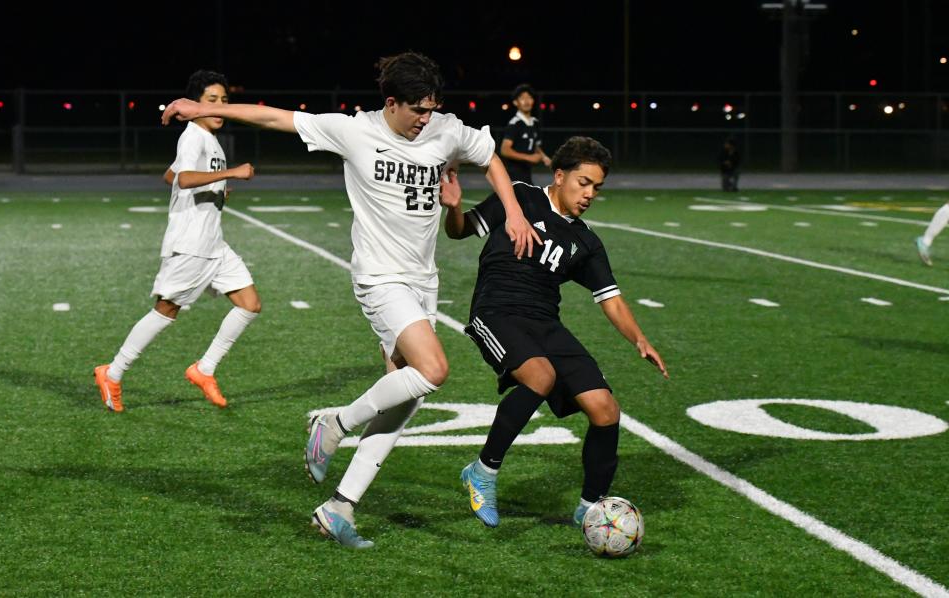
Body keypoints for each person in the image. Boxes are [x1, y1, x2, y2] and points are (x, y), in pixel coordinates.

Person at [161, 52, 540, 549]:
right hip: (380, 278)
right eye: (417, 111)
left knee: (406, 396)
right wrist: (198, 106)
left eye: (431, 109)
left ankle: (339, 508)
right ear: (391, 103)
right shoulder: (354, 130)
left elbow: (490, 157)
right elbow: (275, 116)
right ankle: (333, 423)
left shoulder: (444, 129)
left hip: (424, 280)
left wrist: (512, 212)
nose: (426, 119)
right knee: (434, 369)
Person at [441, 136, 668, 528]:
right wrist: (454, 206)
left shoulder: (585, 241)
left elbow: (610, 298)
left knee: (604, 409)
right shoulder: (520, 198)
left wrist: (640, 339)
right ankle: (483, 471)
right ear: (560, 176)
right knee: (540, 376)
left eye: (597, 187)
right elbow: (460, 231)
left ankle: (590, 508)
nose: (590, 194)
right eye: (584, 182)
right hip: (496, 312)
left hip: (545, 322)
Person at [94, 70, 261, 412]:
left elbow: (170, 175)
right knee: (166, 311)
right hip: (191, 245)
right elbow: (183, 179)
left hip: (214, 244)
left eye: (224, 101)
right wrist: (230, 174)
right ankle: (112, 372)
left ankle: (204, 369)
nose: (219, 107)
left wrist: (215, 188)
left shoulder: (208, 139)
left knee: (249, 303)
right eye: (211, 100)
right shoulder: (193, 136)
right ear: (194, 105)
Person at [499, 84, 552, 185]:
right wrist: (529, 157)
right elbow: (504, 150)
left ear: (533, 101)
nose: (526, 101)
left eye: (529, 97)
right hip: (511, 175)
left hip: (526, 172)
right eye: (522, 98)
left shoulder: (534, 122)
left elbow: (535, 145)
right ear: (515, 102)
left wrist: (544, 157)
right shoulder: (515, 124)